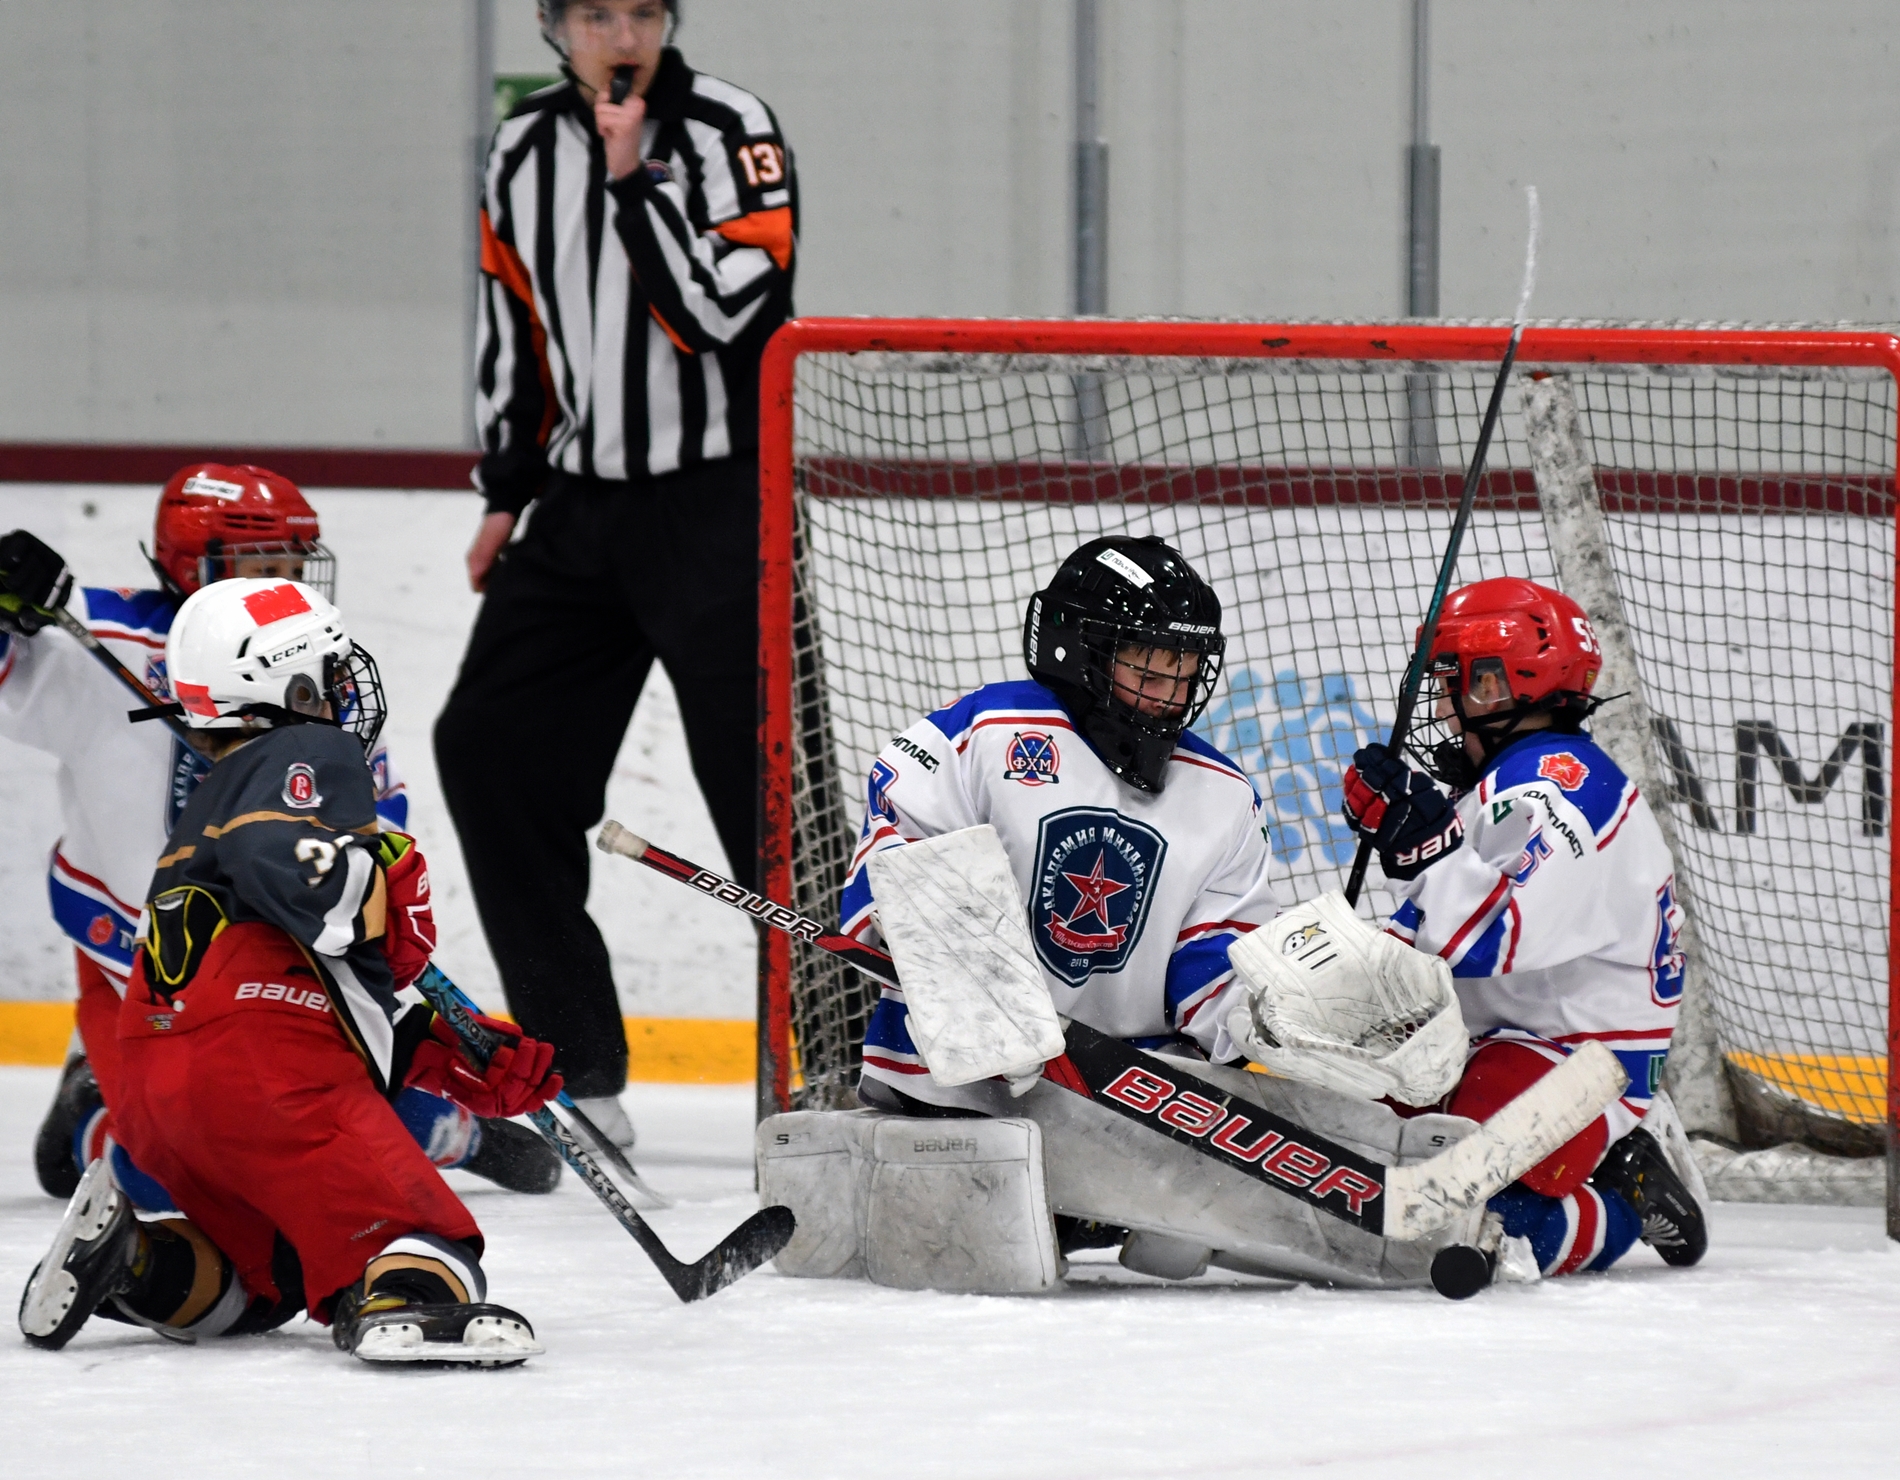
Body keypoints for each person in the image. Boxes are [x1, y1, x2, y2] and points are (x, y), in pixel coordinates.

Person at [19, 578, 562, 1363]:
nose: (345, 691)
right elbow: (292, 878)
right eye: (331, 674)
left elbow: (303, 990)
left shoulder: (210, 799)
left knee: (262, 1279)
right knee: (420, 1233)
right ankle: (407, 1309)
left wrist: (452, 1049)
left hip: (157, 1078)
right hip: (262, 1069)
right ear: (291, 686)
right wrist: (372, 887)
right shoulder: (308, 750)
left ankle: (135, 1262)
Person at [435, 0, 797, 1146]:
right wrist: (507, 491)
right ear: (554, 28)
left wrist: (635, 176)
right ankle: (577, 1065)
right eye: (594, 13)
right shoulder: (520, 148)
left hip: (717, 500)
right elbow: (519, 334)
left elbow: (722, 320)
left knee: (768, 794)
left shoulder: (733, 130)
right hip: (581, 507)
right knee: (489, 748)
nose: (620, 32)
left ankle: (835, 1058)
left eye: (642, 9)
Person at [0, 464, 559, 1202]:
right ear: (189, 565)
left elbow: (372, 811)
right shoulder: (103, 640)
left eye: (294, 567)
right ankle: (100, 1068)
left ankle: (454, 1132)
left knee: (332, 1127)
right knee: (118, 1164)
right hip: (130, 952)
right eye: (262, 567)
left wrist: (346, 887)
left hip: (273, 959)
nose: (284, 587)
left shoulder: (313, 665)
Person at [1340, 576, 1709, 1278]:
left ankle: (1627, 1196)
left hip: (1581, 1065)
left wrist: (1424, 845)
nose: (1444, 707)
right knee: (1351, 1133)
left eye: (1453, 681)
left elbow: (1485, 941)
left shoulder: (1568, 790)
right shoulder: (1506, 786)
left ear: (1498, 685)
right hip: (1489, 1039)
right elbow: (1422, 942)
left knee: (1468, 1206)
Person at [841, 535, 1284, 1119]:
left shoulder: (1224, 794)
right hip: (941, 1082)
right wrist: (986, 1007)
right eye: (1149, 674)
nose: (1170, 699)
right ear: (1080, 650)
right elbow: (896, 867)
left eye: (1184, 673)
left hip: (1130, 1103)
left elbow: (1210, 961)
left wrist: (1271, 1024)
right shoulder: (983, 733)